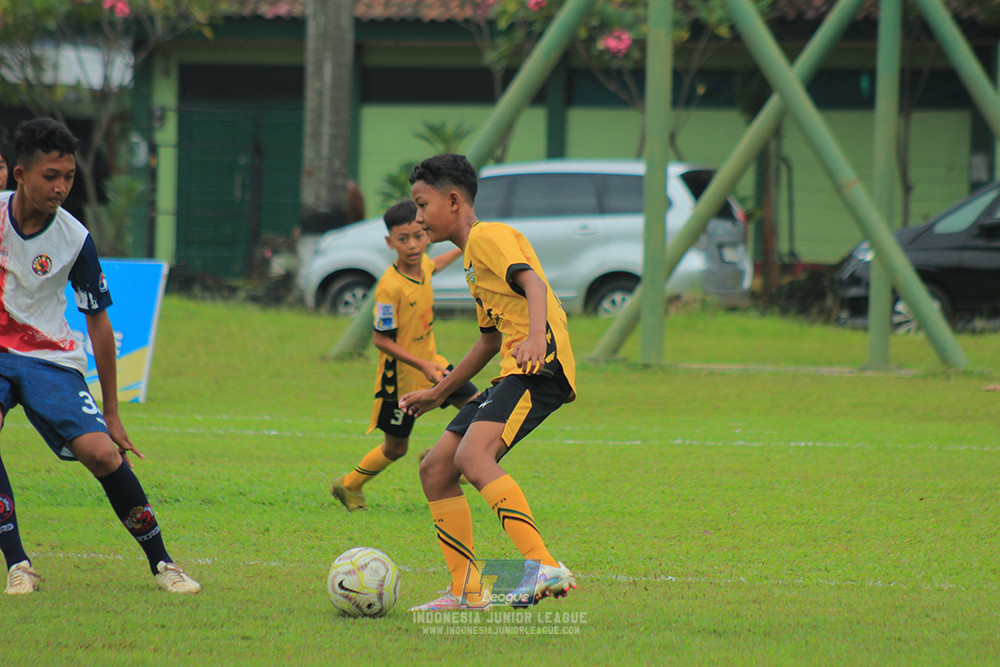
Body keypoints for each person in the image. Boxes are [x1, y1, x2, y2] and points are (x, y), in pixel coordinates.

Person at [0, 118, 200, 595]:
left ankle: (163, 563)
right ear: (21, 174)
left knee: (104, 454)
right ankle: (18, 564)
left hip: (50, 357)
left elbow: (98, 323)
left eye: (68, 176)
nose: (61, 187)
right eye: (51, 176)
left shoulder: (75, 238)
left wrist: (112, 411)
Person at [400, 154, 577, 611]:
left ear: (453, 201)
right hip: (512, 367)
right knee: (436, 469)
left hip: (538, 365)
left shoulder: (488, 237)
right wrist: (438, 393)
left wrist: (535, 337)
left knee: (472, 456)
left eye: (422, 204)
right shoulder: (471, 260)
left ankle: (544, 566)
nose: (418, 218)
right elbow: (488, 341)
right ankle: (468, 590)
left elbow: (533, 284)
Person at [331, 199, 477, 511]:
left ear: (427, 234)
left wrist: (465, 246)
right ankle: (350, 484)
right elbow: (381, 340)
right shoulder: (390, 287)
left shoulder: (423, 265)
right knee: (396, 448)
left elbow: (435, 264)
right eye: (403, 239)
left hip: (434, 364)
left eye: (418, 236)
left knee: (477, 407)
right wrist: (421, 364)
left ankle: (442, 458)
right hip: (400, 381)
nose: (412, 245)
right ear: (390, 242)